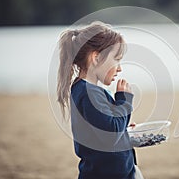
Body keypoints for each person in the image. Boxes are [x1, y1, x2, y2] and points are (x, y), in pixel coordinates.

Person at [56, 21, 143, 179]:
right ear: (96, 58)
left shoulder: (86, 90)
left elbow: (103, 130)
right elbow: (111, 131)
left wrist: (123, 129)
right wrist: (125, 101)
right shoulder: (89, 94)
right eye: (116, 59)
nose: (120, 68)